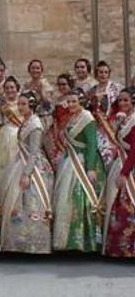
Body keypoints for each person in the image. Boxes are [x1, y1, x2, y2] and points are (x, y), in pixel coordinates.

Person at [0, 91, 54, 254]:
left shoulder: (35, 124)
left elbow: (34, 152)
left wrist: (27, 174)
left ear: (31, 106)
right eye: (19, 104)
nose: (20, 107)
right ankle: (18, 242)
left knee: (31, 202)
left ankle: (33, 244)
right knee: (17, 202)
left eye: (23, 104)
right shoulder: (27, 121)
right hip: (21, 163)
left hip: (33, 168)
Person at [52, 89, 105, 253]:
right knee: (66, 199)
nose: (70, 104)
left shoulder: (87, 118)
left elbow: (92, 144)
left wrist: (90, 168)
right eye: (68, 102)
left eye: (74, 101)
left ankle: (84, 241)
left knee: (81, 199)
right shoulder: (71, 118)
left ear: (81, 101)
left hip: (83, 163)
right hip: (70, 161)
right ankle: (68, 241)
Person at [103, 87, 135, 257]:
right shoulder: (124, 119)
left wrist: (124, 173)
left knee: (127, 205)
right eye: (120, 100)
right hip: (121, 162)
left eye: (126, 100)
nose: (122, 103)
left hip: (130, 166)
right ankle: (120, 247)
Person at [0, 77, 23, 192]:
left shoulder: (23, 102)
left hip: (21, 135)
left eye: (12, 87)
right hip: (4, 136)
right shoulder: (1, 106)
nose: (10, 90)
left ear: (17, 88)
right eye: (7, 88)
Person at [23, 59, 55, 129]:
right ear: (29, 70)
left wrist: (41, 93)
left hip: (43, 118)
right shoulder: (26, 85)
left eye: (37, 68)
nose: (35, 70)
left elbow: (49, 106)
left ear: (41, 70)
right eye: (33, 68)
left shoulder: (45, 84)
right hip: (30, 119)